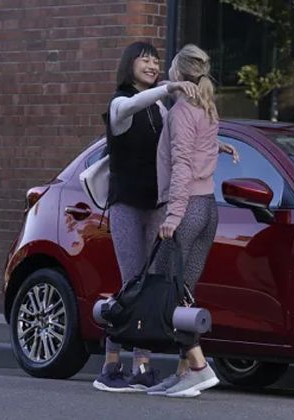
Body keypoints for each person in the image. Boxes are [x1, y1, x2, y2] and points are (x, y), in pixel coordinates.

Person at [93, 41, 200, 393]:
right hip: (126, 204)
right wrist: (167, 88)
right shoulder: (121, 102)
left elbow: (178, 140)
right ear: (130, 65)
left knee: (149, 283)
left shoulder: (160, 109)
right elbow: (133, 104)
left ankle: (142, 366)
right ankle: (110, 365)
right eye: (145, 60)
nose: (153, 64)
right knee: (131, 283)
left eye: (156, 60)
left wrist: (216, 146)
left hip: (156, 204)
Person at [143, 44, 239, 398]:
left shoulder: (182, 110)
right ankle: (184, 374)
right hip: (207, 208)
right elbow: (201, 149)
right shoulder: (206, 107)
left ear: (179, 73)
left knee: (170, 292)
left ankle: (198, 366)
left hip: (188, 210)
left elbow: (183, 162)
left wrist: (173, 214)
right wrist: (221, 149)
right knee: (184, 292)